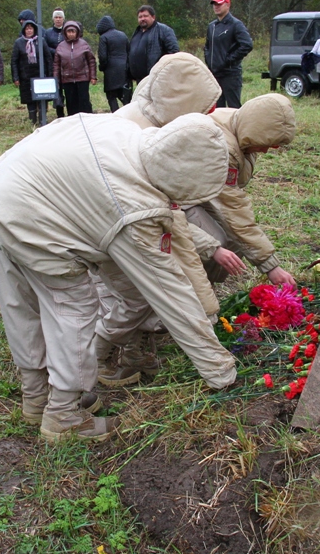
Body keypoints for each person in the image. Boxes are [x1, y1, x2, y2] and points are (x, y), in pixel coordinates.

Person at [0, 113, 237, 441]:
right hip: (33, 218)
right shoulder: (136, 206)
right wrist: (220, 369)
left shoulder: (121, 128)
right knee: (73, 306)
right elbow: (169, 291)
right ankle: (64, 414)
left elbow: (39, 136)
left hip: (1, 195)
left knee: (22, 305)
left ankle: (36, 397)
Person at [96, 52, 224, 387]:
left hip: (117, 218)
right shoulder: (138, 132)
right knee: (134, 291)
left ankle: (129, 351)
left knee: (140, 287)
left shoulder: (151, 120)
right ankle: (97, 359)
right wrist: (205, 310)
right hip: (107, 222)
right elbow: (170, 226)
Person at [185, 93, 298, 288]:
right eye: (264, 144)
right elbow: (231, 210)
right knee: (216, 240)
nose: (264, 151)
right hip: (171, 202)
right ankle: (192, 288)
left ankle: (203, 286)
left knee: (234, 240)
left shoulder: (239, 125)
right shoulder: (222, 147)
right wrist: (271, 266)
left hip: (192, 193)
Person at [204, 0, 253, 109]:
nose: (216, 7)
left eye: (219, 4)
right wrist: (208, 59)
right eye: (214, 4)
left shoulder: (236, 24)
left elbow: (247, 44)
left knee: (233, 108)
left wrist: (229, 60)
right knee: (217, 109)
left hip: (230, 74)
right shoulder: (212, 26)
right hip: (215, 74)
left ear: (227, 5)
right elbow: (207, 46)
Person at [11, 19, 53, 125]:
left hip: (40, 75)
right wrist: (15, 77)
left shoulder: (41, 41)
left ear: (34, 30)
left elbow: (48, 58)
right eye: (27, 29)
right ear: (24, 30)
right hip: (25, 76)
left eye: (31, 28)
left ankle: (42, 120)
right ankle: (32, 120)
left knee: (42, 98)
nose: (29, 30)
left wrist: (50, 74)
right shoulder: (18, 43)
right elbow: (14, 61)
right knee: (29, 98)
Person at [53, 21, 96, 115]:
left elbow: (91, 61)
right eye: (69, 31)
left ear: (77, 32)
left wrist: (93, 76)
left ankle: (88, 119)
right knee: (71, 103)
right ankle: (73, 120)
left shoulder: (84, 44)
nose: (71, 34)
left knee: (84, 101)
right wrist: (56, 80)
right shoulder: (60, 46)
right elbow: (56, 64)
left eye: (73, 31)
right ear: (65, 33)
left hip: (82, 78)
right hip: (67, 79)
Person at [128, 5, 179, 83]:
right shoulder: (137, 32)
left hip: (158, 79)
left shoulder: (164, 30)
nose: (142, 19)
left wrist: (163, 71)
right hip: (140, 81)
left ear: (153, 17)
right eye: (140, 17)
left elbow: (174, 53)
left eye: (145, 16)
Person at [96, 15, 130, 112]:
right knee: (126, 98)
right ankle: (130, 115)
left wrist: (102, 67)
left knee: (111, 97)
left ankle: (116, 116)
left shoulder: (103, 37)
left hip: (111, 71)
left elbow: (103, 57)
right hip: (124, 70)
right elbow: (129, 51)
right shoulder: (123, 35)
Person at [44, 9, 67, 118]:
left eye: (60, 17)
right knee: (57, 89)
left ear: (63, 19)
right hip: (53, 65)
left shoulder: (67, 30)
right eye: (56, 17)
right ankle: (60, 114)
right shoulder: (48, 33)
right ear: (53, 19)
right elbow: (45, 47)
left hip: (66, 64)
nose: (58, 19)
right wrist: (57, 52)